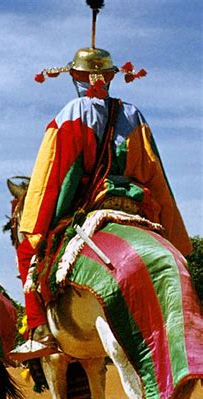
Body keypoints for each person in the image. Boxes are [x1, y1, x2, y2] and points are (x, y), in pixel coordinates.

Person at [12, 23, 192, 360]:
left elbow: (55, 174)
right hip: (136, 205)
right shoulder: (133, 113)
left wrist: (41, 222)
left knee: (28, 250)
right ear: (108, 77)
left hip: (89, 204)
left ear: (76, 78)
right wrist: (172, 229)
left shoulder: (72, 113)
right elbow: (156, 172)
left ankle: (38, 330)